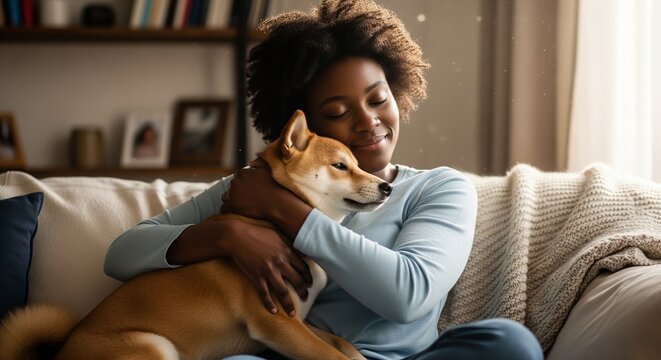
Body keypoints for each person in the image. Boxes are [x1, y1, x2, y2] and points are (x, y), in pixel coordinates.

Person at [105, 1, 544, 359]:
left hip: (402, 359)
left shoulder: (437, 189)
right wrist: (228, 232)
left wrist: (283, 211)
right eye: (337, 112)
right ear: (301, 128)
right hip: (294, 354)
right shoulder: (255, 184)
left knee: (509, 342)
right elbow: (122, 254)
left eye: (378, 99)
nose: (368, 121)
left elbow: (408, 296)